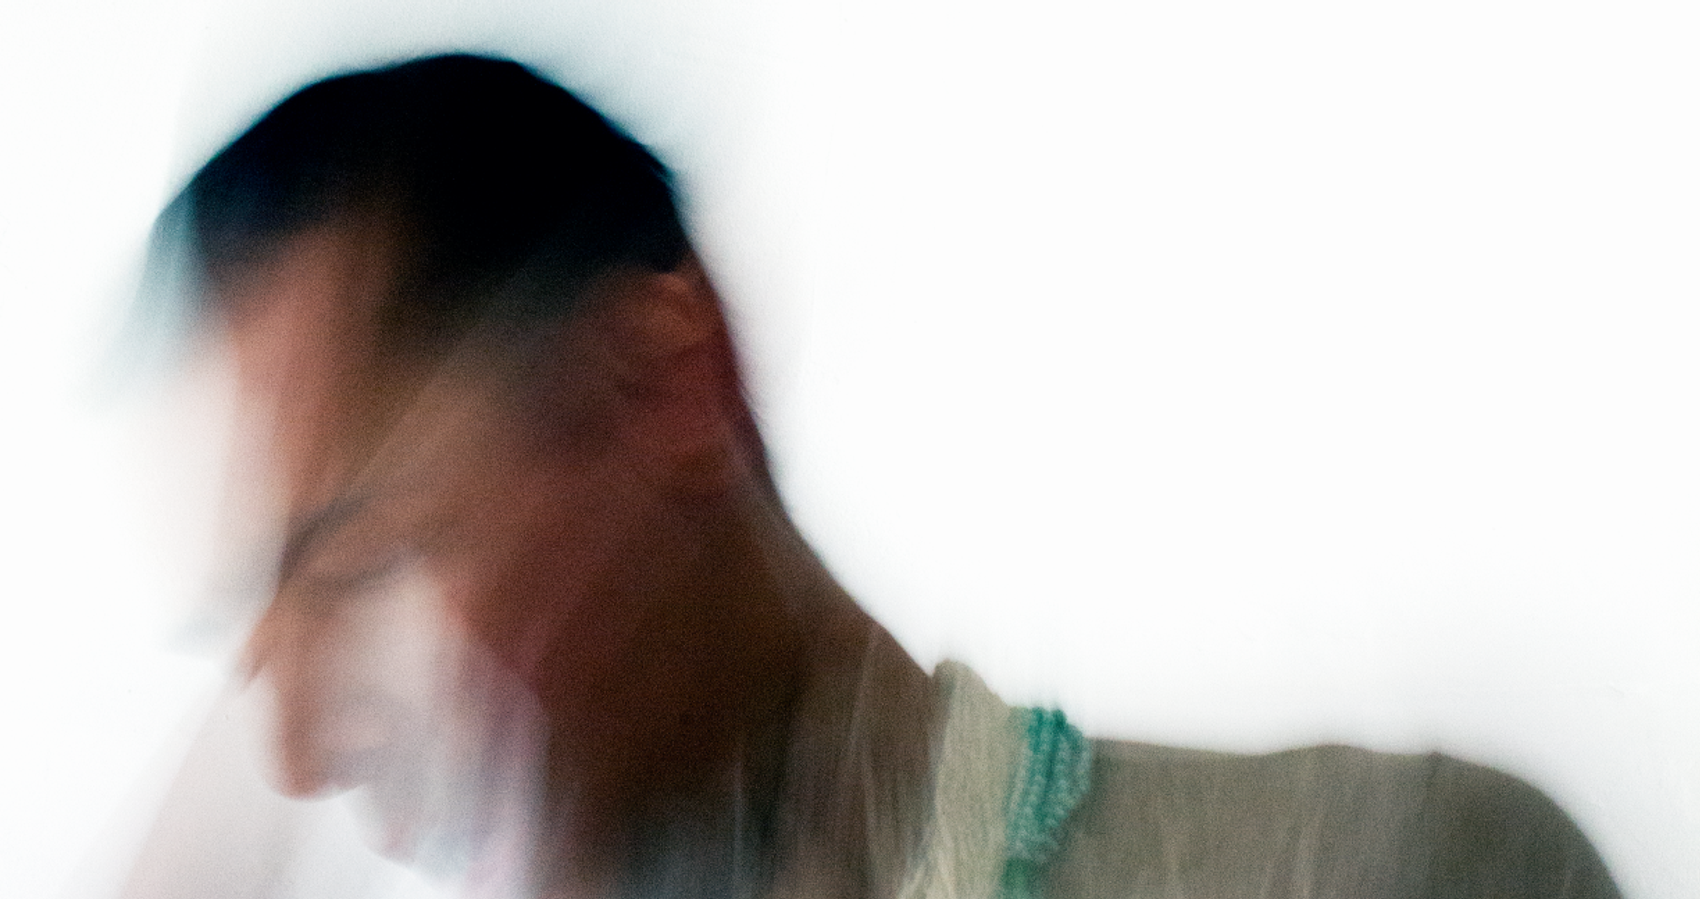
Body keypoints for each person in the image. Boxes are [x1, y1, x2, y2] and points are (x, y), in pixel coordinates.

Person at [127, 53, 1621, 899]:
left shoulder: (1380, 871)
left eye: (359, 562)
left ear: (667, 380)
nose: (298, 752)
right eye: (256, 631)